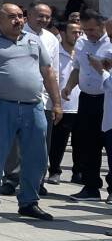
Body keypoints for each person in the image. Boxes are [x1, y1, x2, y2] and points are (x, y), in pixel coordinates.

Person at [0, 2, 63, 220]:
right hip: (1, 106)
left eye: (21, 16)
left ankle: (29, 202)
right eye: (12, 17)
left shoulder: (33, 40)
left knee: (37, 157)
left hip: (33, 106)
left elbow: (48, 72)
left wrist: (57, 103)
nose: (18, 20)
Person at [62, 9, 111, 202]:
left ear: (102, 26)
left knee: (109, 143)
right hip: (86, 98)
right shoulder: (81, 42)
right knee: (88, 144)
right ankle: (91, 186)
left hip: (106, 99)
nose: (89, 33)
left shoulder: (110, 43)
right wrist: (68, 86)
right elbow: (77, 68)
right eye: (86, 30)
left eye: (92, 29)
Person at [48, 22, 82, 185]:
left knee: (81, 142)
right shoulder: (55, 52)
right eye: (74, 32)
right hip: (62, 105)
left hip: (82, 104)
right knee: (57, 142)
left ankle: (78, 172)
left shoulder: (82, 52)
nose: (77, 35)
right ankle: (54, 171)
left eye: (79, 32)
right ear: (62, 33)